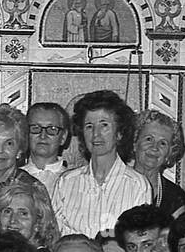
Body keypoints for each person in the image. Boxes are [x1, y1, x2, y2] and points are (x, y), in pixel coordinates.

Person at [51, 90, 151, 238]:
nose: (96, 134)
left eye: (104, 125)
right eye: (89, 126)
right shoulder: (66, 183)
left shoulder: (137, 185)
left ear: (119, 133)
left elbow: (139, 240)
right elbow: (55, 236)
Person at [130, 110, 185, 220]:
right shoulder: (113, 184)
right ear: (134, 144)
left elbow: (177, 235)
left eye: (163, 143)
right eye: (149, 139)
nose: (154, 147)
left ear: (169, 153)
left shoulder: (174, 197)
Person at [23, 102, 72, 196]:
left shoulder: (74, 181)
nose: (43, 136)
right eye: (35, 128)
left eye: (52, 129)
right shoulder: (12, 180)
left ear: (63, 137)